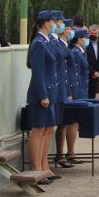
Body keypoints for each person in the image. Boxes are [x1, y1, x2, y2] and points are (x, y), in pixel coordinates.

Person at [26, 10, 58, 184]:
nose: (55, 25)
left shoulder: (46, 41)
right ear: (46, 23)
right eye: (53, 22)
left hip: (50, 92)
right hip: (41, 94)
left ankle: (44, 166)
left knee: (47, 130)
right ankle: (36, 169)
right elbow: (38, 73)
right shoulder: (38, 43)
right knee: (38, 130)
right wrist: (43, 95)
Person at [49, 13, 73, 169]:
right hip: (54, 89)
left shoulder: (56, 42)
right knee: (48, 128)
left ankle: (60, 155)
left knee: (62, 123)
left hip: (61, 88)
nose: (61, 26)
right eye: (59, 23)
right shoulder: (49, 42)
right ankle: (46, 164)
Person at [64, 28, 90, 165]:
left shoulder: (80, 52)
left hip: (81, 89)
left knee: (75, 123)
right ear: (79, 39)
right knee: (72, 122)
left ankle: (71, 152)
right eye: (85, 38)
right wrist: (74, 93)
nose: (86, 40)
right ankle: (70, 152)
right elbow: (75, 74)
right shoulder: (75, 52)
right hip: (77, 90)